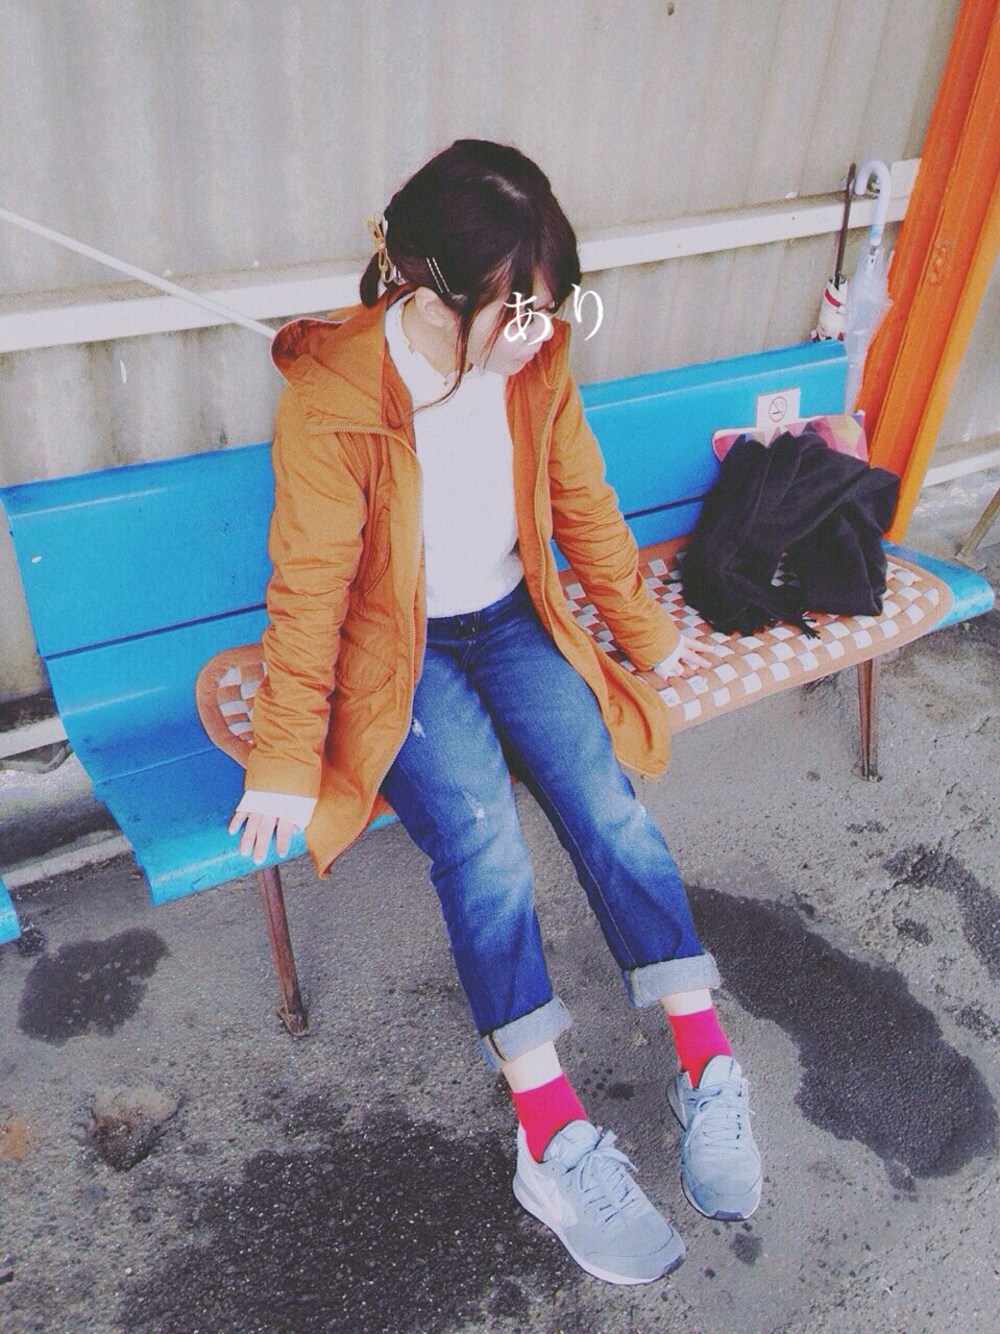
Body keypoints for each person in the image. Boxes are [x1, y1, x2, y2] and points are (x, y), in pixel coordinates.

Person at [229, 139, 762, 1286]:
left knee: (605, 799)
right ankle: (551, 1136)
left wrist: (648, 634)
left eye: (549, 303)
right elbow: (310, 584)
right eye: (515, 307)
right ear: (431, 295)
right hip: (400, 647)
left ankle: (705, 1060)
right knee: (483, 839)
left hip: (514, 618)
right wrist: (282, 754)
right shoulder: (332, 396)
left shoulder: (535, 356)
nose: (540, 328)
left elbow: (582, 500)